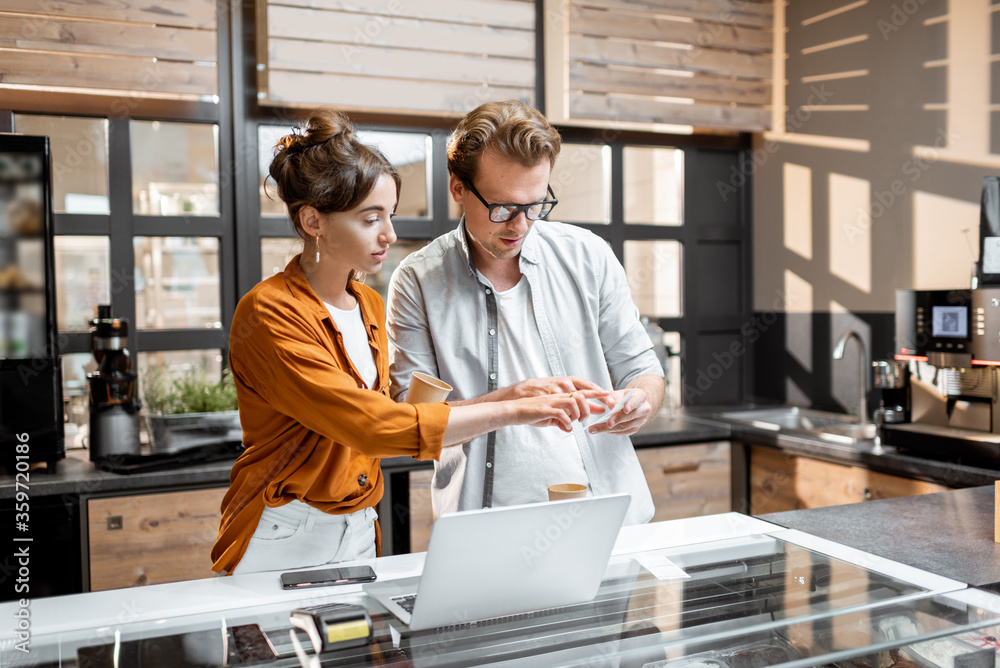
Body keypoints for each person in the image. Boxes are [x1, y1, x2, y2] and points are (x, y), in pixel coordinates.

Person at [211, 107, 609, 576]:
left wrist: (511, 393)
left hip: (359, 526)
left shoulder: (368, 306)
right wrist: (515, 410)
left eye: (391, 215)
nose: (390, 234)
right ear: (313, 220)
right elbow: (372, 427)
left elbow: (402, 416)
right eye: (369, 218)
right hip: (282, 529)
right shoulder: (269, 313)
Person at [386, 100, 665, 525]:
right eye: (503, 208)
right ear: (458, 188)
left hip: (608, 517)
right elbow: (413, 422)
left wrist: (640, 400)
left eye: (535, 205)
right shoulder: (417, 280)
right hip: (483, 529)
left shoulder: (587, 254)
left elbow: (643, 369)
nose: (520, 225)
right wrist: (511, 399)